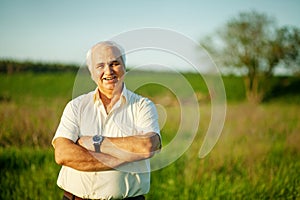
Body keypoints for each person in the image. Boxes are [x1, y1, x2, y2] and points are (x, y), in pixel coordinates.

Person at [52, 41, 162, 200]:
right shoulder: (76, 106)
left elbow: (147, 146)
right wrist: (127, 155)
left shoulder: (142, 106)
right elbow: (63, 154)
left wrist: (95, 142)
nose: (108, 71)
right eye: (100, 66)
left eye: (115, 63)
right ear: (91, 73)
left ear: (125, 67)